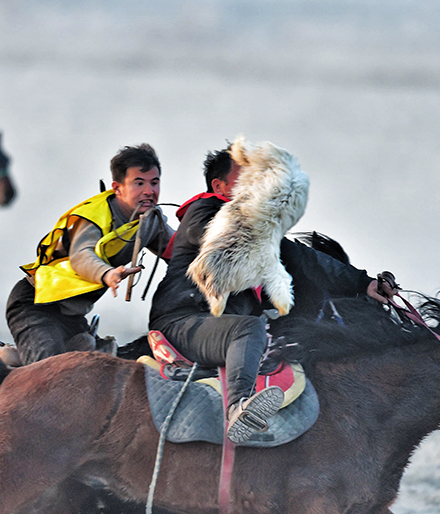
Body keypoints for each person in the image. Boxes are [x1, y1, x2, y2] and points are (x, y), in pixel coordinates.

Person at [149, 145, 394, 443]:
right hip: (183, 321)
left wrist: (362, 283)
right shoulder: (204, 213)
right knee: (248, 329)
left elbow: (303, 258)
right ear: (219, 186)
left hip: (213, 325)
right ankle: (239, 406)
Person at [6, 143, 172, 366]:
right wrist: (107, 274)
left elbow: (180, 250)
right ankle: (14, 364)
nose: (149, 191)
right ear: (117, 188)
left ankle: (21, 357)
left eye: (154, 182)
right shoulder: (93, 217)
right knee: (50, 375)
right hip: (36, 304)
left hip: (71, 316)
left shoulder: (152, 220)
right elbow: (81, 256)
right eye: (138, 183)